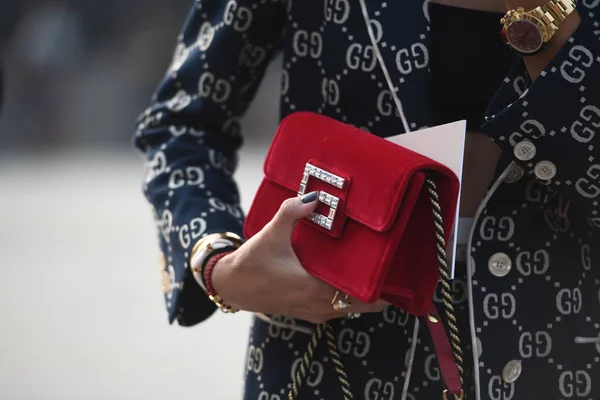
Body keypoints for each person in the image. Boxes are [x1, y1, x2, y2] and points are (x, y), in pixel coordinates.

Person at [133, 0, 600, 398]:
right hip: (333, 357)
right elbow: (182, 122)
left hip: (561, 354)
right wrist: (216, 261)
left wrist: (545, 15)